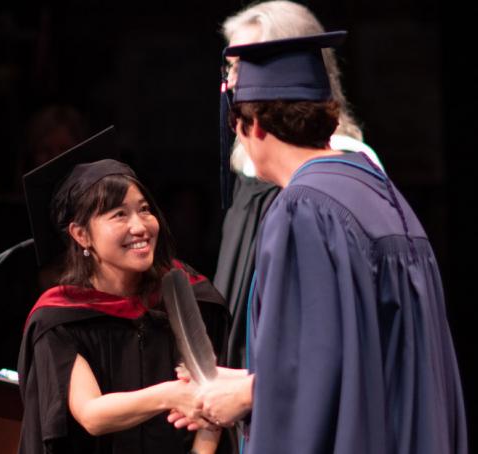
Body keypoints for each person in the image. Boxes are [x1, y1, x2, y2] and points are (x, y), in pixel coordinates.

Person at [173, 32, 468, 453]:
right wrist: (239, 382)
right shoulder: (377, 190)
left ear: (252, 125)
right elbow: (352, 351)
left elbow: (310, 373)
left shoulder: (303, 209)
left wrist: (241, 397)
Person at [18, 127, 230, 454]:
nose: (140, 226)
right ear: (81, 234)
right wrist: (171, 394)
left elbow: (212, 410)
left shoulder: (187, 294)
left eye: (144, 209)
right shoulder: (60, 318)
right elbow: (91, 414)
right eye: (119, 214)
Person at [213, 0, 383, 371]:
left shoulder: (341, 170)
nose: (233, 82)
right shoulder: (249, 169)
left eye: (244, 67)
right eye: (232, 67)